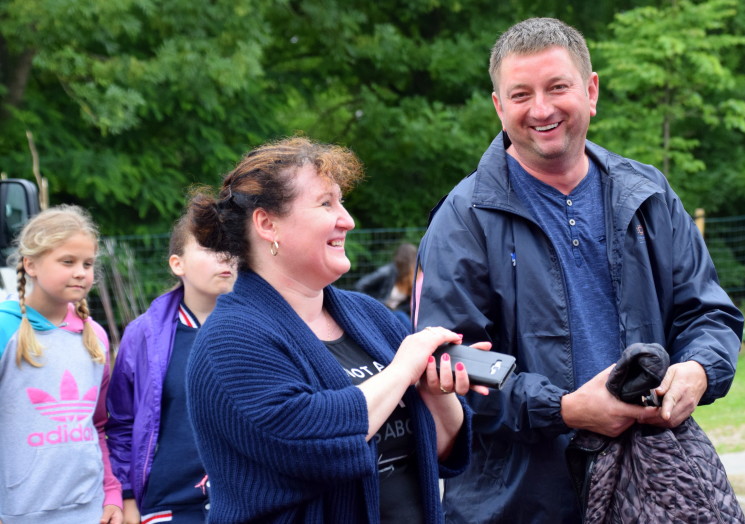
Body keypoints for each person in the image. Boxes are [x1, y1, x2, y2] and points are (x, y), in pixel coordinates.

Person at [415, 17, 744, 523]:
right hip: (517, 504)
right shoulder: (465, 218)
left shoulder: (648, 194)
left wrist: (699, 369)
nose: (541, 109)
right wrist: (563, 409)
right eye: (521, 94)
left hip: (650, 490)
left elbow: (709, 314)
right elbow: (449, 361)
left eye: (557, 87)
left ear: (591, 91)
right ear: (499, 107)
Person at [184, 136, 486, 524]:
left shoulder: (370, 316)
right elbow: (311, 443)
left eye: (341, 201)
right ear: (268, 224)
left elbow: (440, 453)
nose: (347, 220)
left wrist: (435, 392)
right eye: (326, 203)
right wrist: (402, 370)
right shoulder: (230, 340)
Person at [105, 213, 236, 524]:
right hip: (169, 506)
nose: (225, 256)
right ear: (178, 264)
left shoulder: (259, 328)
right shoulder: (144, 335)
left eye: (232, 247)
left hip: (244, 502)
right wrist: (127, 497)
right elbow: (121, 424)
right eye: (210, 246)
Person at [0, 205, 123, 524]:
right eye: (67, 262)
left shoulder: (95, 337)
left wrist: (111, 493)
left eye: (87, 263)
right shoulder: (4, 329)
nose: (80, 272)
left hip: (90, 510)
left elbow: (98, 425)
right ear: (30, 264)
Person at [354, 242, 417, 328]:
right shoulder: (387, 272)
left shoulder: (410, 278)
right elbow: (360, 285)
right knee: (401, 317)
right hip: (380, 310)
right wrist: (371, 303)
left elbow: (409, 304)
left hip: (394, 312)